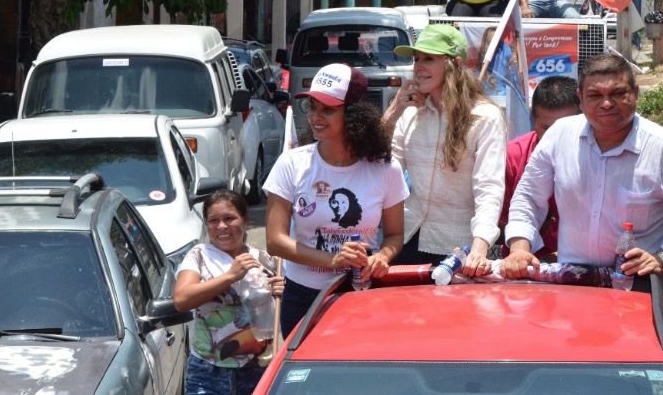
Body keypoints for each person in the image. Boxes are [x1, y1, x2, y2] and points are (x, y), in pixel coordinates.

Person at [501, 54, 663, 298]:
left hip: (639, 290)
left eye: (617, 93)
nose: (606, 104)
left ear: (635, 93)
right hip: (573, 287)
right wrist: (519, 247)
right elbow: (529, 197)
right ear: (580, 99)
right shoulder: (559, 136)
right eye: (595, 95)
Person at [263, 64, 408, 338]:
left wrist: (381, 257)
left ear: (353, 115)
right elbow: (274, 240)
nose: (316, 117)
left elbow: (395, 235)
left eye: (328, 109)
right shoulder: (292, 163)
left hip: (361, 294)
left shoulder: (387, 169)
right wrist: (333, 260)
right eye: (312, 106)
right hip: (302, 297)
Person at [383, 23, 507, 275]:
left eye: (429, 59)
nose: (418, 67)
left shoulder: (485, 116)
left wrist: (480, 248)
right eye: (417, 59)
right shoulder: (409, 113)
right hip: (406, 238)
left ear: (454, 64)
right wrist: (391, 116)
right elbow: (382, 170)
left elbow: (489, 187)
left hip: (458, 248)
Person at [173, 190, 285, 395]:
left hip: (260, 371)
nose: (221, 227)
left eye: (229, 218)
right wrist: (230, 276)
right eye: (213, 220)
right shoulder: (199, 256)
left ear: (246, 221)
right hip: (208, 372)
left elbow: (282, 315)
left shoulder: (269, 260)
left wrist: (281, 293)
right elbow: (181, 300)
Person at [499, 75, 580, 261]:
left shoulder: (600, 157)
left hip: (584, 266)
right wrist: (529, 236)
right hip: (524, 268)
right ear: (533, 120)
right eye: (547, 128)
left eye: (564, 128)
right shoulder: (513, 155)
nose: (555, 138)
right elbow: (498, 226)